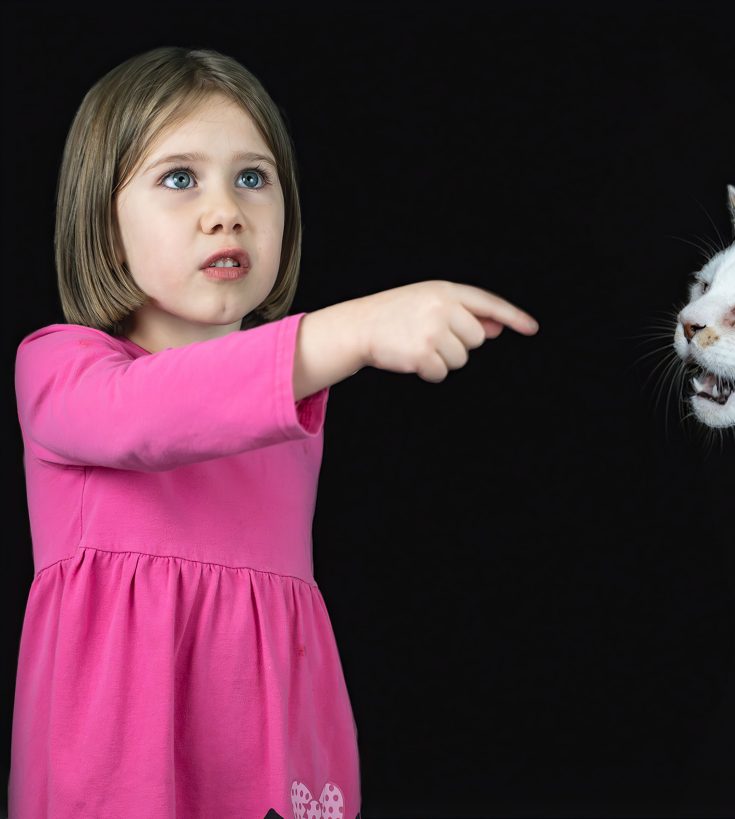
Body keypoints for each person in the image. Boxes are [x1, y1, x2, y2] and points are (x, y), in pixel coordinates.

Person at [9, 46, 539, 819]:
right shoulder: (59, 367)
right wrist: (353, 330)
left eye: (253, 178)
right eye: (179, 178)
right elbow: (139, 415)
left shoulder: (294, 404)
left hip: (269, 754)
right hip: (119, 766)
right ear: (102, 218)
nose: (225, 209)